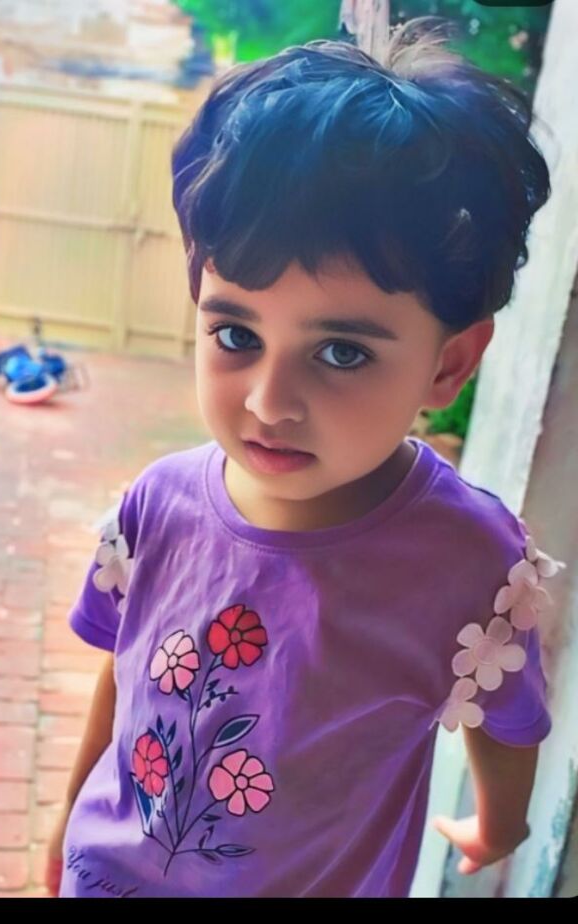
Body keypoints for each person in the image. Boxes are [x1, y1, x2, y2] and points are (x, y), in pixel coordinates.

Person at [46, 17, 565, 898]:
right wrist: (67, 820)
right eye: (236, 333)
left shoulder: (470, 559)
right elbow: (123, 677)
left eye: (342, 352)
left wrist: (499, 826)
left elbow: (506, 719)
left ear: (448, 364)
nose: (268, 402)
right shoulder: (157, 504)